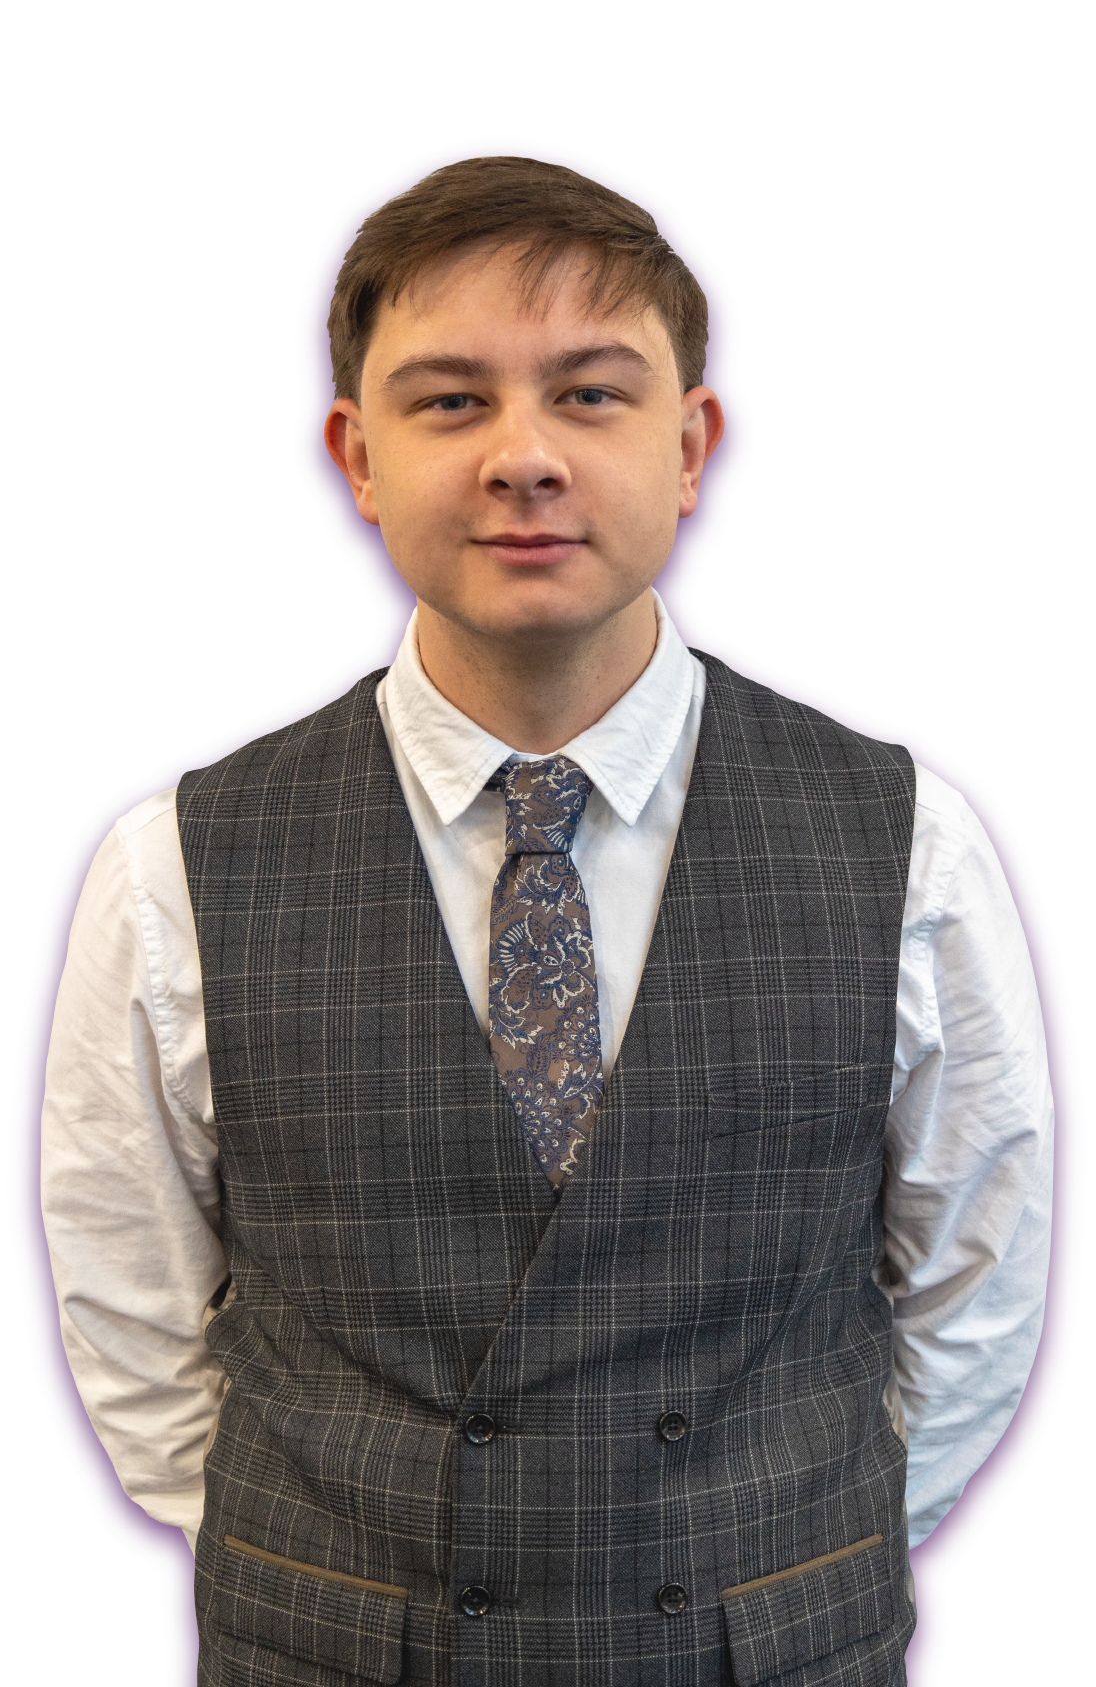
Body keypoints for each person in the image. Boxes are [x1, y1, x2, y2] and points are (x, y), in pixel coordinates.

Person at [40, 156, 1052, 1687]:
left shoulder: (909, 844)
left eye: (590, 394)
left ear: (695, 440)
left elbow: (985, 1271)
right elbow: (127, 1309)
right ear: (354, 455)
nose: (523, 456)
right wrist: (302, 1560)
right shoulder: (170, 865)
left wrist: (802, 1534)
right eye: (450, 401)